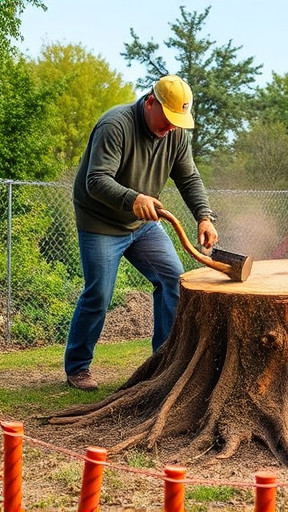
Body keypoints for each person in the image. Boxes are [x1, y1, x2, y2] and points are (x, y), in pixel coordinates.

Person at [65, 75, 218, 391]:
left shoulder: (174, 136)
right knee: (99, 294)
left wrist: (204, 216)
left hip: (143, 224)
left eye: (178, 121)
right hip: (101, 223)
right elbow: (96, 180)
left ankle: (161, 363)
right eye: (168, 118)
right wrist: (133, 198)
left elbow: (189, 178)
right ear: (150, 102)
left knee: (173, 279)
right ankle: (78, 367)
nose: (171, 127)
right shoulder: (115, 125)